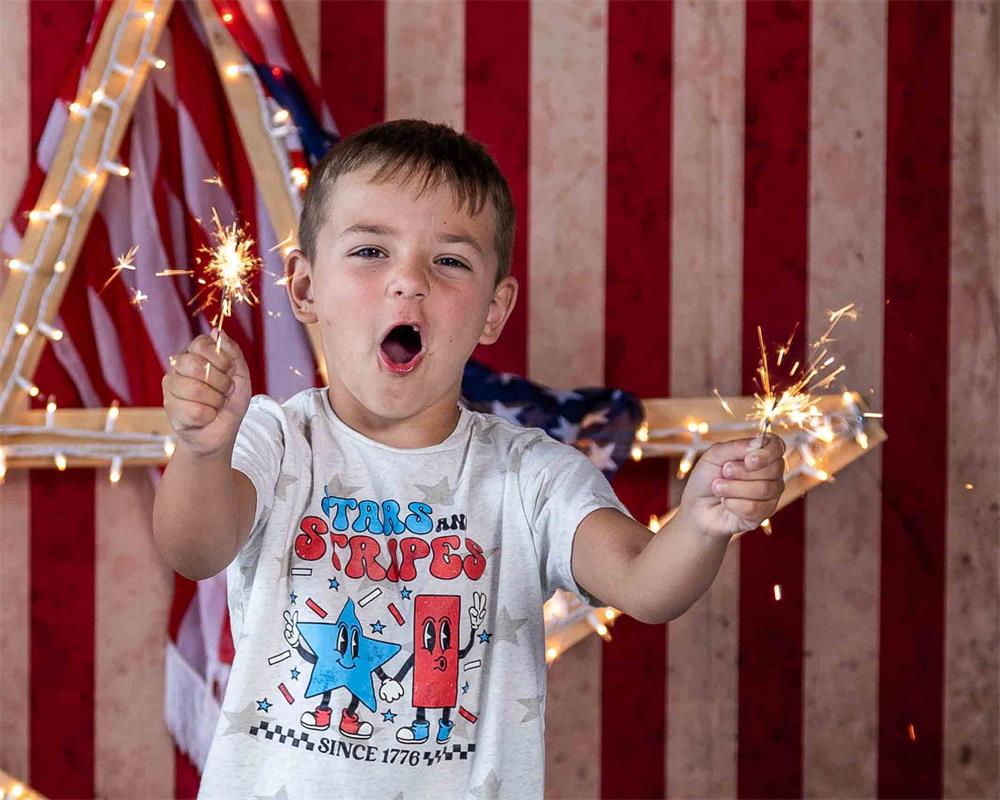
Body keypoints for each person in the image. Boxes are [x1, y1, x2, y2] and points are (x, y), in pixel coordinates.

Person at [153, 119, 785, 799]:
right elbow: (193, 549)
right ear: (305, 288)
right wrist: (202, 450)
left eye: (449, 261)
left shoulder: (531, 476)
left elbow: (643, 584)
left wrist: (701, 522)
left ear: (493, 309)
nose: (408, 283)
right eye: (370, 250)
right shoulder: (275, 441)